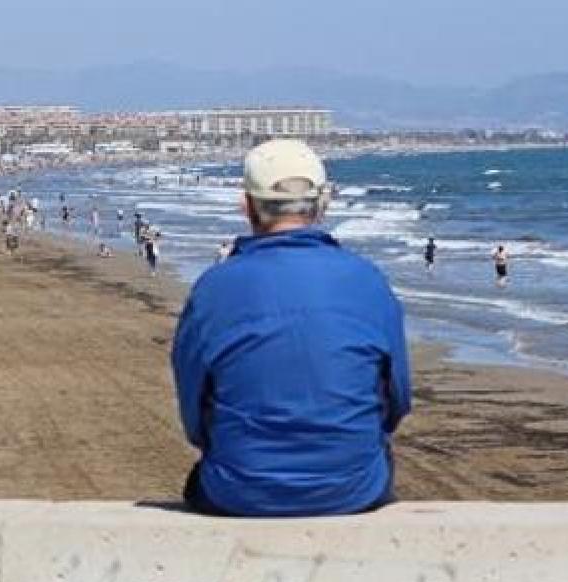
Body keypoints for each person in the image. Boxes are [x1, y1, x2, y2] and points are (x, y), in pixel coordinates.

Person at [172, 139, 411, 517]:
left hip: (238, 488)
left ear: (246, 205)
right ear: (324, 204)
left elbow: (193, 413)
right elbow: (397, 401)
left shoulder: (213, 287)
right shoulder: (367, 280)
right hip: (354, 487)